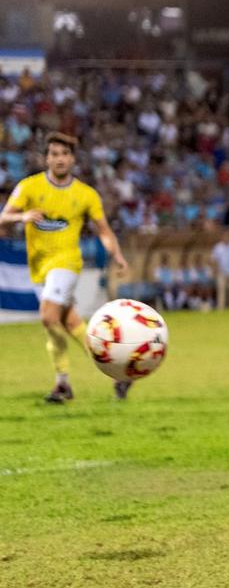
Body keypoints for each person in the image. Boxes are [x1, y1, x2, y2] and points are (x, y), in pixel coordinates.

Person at [0, 132, 131, 402]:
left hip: (67, 262)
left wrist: (117, 255)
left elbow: (104, 230)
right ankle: (119, 374)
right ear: (46, 158)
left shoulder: (86, 195)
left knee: (48, 316)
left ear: (72, 159)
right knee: (71, 324)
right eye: (54, 154)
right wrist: (22, 215)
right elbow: (3, 219)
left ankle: (62, 384)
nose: (60, 159)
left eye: (65, 154)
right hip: (38, 268)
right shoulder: (29, 187)